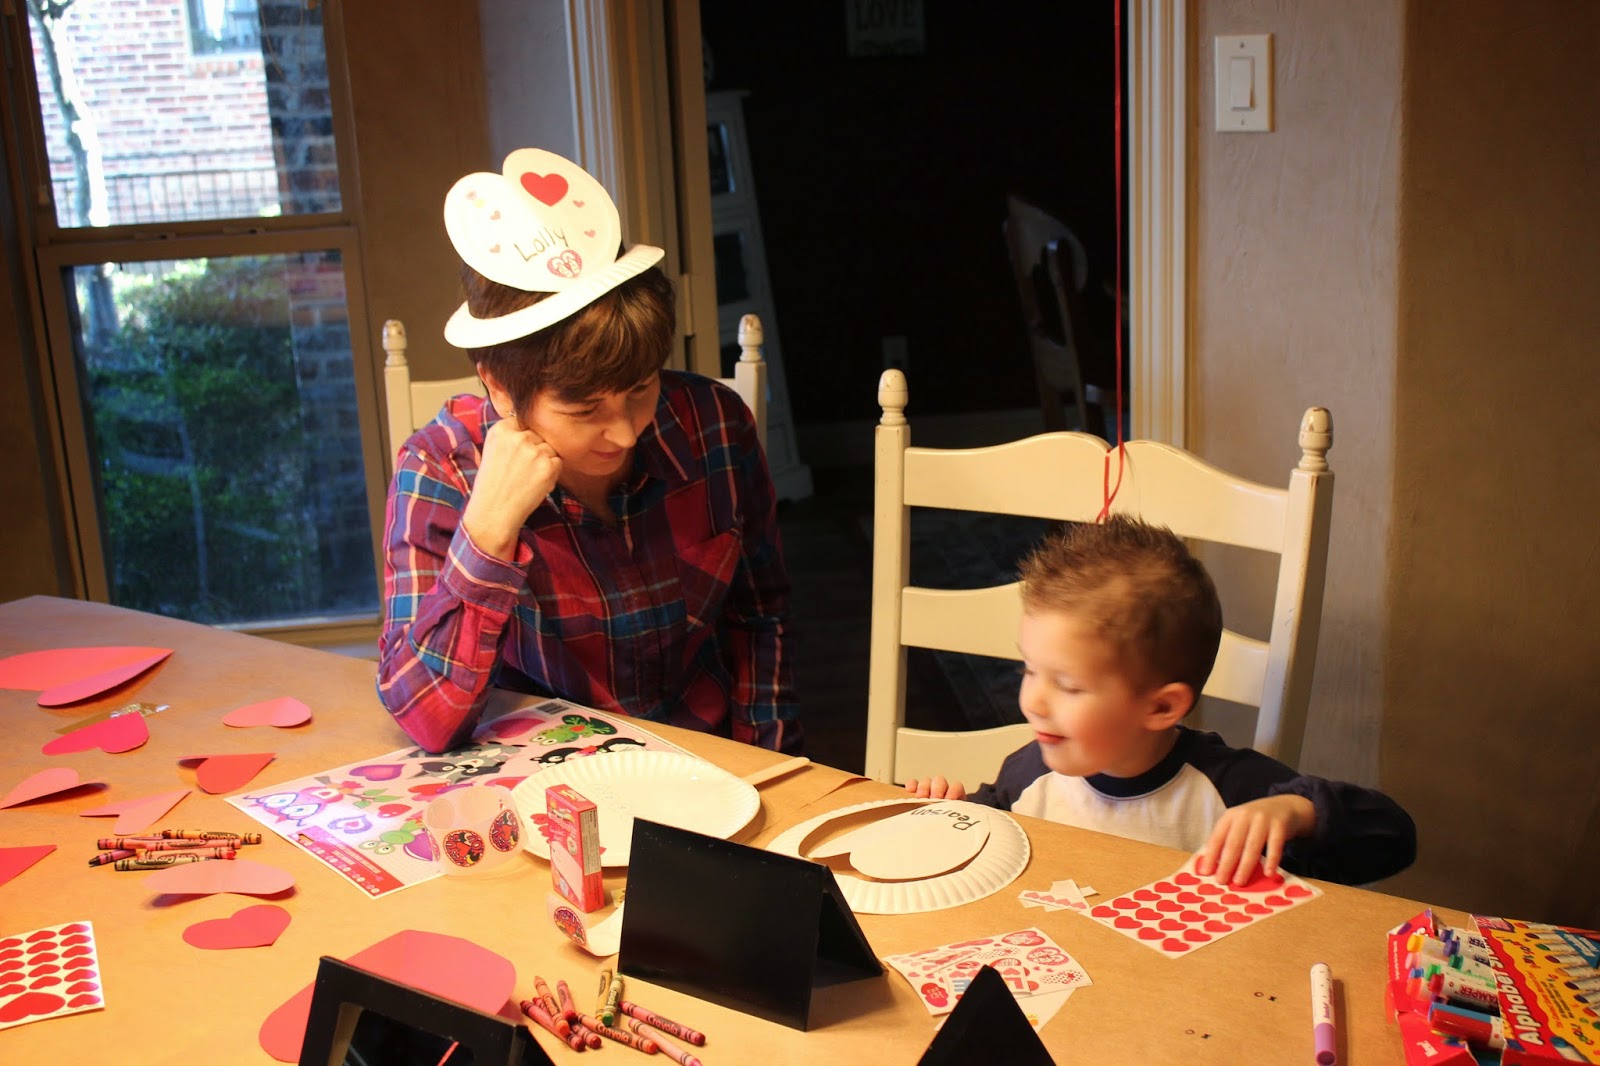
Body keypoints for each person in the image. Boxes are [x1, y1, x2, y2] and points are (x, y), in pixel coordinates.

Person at [378, 147, 800, 756]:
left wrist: (769, 765)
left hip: (704, 763)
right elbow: (425, 718)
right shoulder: (440, 467)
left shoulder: (713, 423)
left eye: (641, 389)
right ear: (498, 386)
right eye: (584, 412)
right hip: (541, 778)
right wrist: (489, 529)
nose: (625, 433)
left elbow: (761, 620)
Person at [905, 515, 1414, 886]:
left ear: (1161, 707)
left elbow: (1394, 839)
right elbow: (986, 844)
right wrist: (946, 816)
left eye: (1069, 685)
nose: (1034, 701)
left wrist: (1297, 812)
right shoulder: (1028, 775)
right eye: (1029, 670)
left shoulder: (1230, 790)